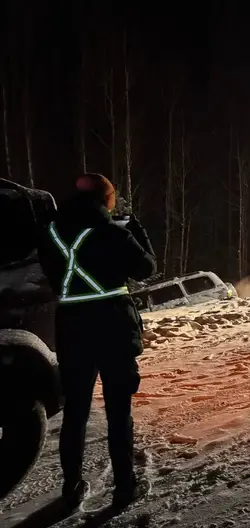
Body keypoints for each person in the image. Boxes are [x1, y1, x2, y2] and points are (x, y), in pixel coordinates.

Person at [37, 173, 156, 508]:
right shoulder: (111, 232)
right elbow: (147, 267)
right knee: (119, 413)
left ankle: (71, 485)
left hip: (72, 329)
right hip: (112, 328)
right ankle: (124, 487)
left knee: (76, 412)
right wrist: (135, 229)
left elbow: (51, 274)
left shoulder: (50, 233)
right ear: (107, 198)